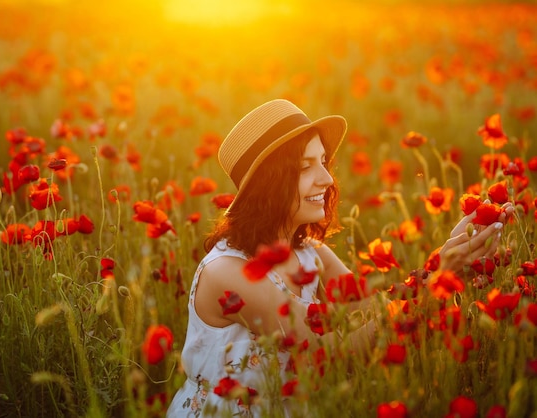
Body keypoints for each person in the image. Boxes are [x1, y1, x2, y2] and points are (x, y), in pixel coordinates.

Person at [166, 99, 512, 417]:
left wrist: (448, 258)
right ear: (269, 183)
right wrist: (432, 287)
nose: (327, 178)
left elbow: (370, 307)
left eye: (323, 162)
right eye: (306, 167)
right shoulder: (228, 272)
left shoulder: (310, 253)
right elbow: (321, 353)